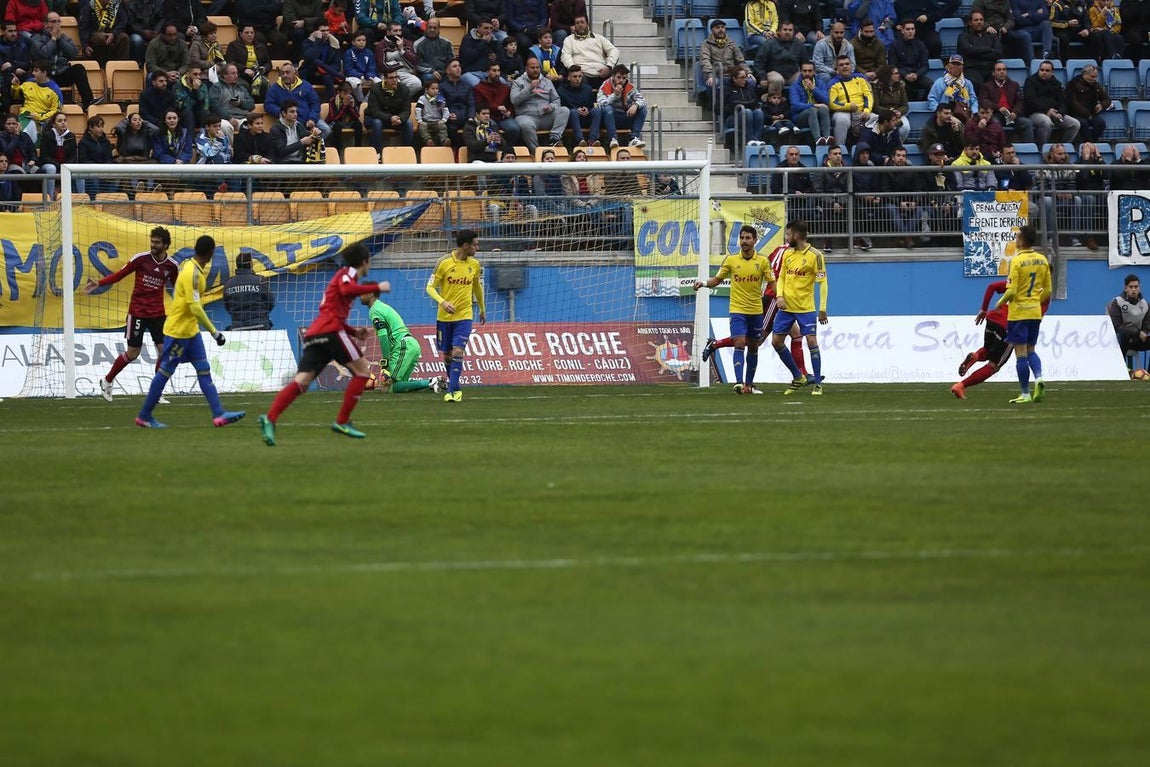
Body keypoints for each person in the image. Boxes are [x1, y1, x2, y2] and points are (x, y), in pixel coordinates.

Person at [259, 243, 387, 445]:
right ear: (364, 262)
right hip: (331, 332)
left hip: (316, 333)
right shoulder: (348, 274)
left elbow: (331, 312)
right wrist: (376, 287)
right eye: (369, 261)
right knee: (363, 372)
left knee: (302, 381)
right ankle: (342, 421)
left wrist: (353, 332)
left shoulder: (340, 277)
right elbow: (347, 289)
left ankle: (270, 418)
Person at [133, 234, 246, 429]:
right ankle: (144, 416)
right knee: (165, 371)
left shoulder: (193, 270)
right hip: (178, 332)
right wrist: (214, 332)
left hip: (191, 332)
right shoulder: (192, 274)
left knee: (204, 369)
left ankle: (219, 414)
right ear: (211, 254)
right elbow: (194, 307)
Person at [699, 224, 809, 379]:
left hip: (783, 299)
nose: (790, 237)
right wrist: (780, 295)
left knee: (796, 335)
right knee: (756, 341)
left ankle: (803, 374)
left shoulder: (791, 253)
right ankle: (716, 345)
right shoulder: (784, 251)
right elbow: (775, 274)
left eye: (789, 234)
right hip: (774, 299)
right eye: (790, 234)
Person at [83, 226, 180, 403]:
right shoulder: (141, 259)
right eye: (152, 241)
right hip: (137, 313)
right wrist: (100, 282)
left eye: (157, 242)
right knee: (133, 353)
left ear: (166, 245)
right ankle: (107, 380)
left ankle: (156, 392)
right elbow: (120, 275)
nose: (153, 245)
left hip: (158, 314)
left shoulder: (172, 266)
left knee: (164, 352)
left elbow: (178, 288)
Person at [692, 225, 776, 394]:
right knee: (739, 342)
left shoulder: (762, 261)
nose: (744, 241)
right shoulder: (731, 260)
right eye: (742, 238)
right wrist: (704, 283)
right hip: (737, 309)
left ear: (755, 240)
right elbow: (717, 279)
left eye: (748, 238)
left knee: (753, 346)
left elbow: (772, 283)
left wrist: (779, 297)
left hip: (756, 310)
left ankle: (748, 385)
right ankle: (738, 383)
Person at [951, 277, 1048, 399]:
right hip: (1009, 326)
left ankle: (975, 356)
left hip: (993, 318)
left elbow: (992, 286)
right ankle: (961, 386)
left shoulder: (1020, 281)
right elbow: (1036, 317)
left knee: (987, 350)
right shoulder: (1045, 293)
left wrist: (984, 309)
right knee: (994, 365)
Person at [425, 229, 486, 402]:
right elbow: (430, 287)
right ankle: (455, 386)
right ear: (465, 245)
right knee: (447, 355)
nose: (477, 248)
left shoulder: (474, 265)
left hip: (465, 316)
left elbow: (477, 287)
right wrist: (443, 302)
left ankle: (452, 392)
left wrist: (482, 308)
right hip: (444, 317)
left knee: (458, 350)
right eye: (475, 245)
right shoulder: (443, 263)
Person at [995, 224, 1051, 403]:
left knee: (1020, 354)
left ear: (1021, 241)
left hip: (1018, 313)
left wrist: (999, 302)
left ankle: (1025, 393)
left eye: (1017, 237)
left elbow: (1011, 291)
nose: (1015, 239)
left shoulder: (1017, 261)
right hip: (1035, 312)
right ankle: (1039, 377)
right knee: (1031, 350)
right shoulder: (1042, 260)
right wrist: (1034, 300)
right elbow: (1048, 290)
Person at [770, 219, 827, 395]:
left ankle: (818, 384)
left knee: (811, 341)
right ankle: (798, 376)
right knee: (776, 342)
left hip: (805, 308)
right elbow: (781, 278)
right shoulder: (788, 254)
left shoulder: (815, 256)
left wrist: (822, 308)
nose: (786, 238)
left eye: (788, 235)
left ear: (795, 235)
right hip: (786, 308)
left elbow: (823, 282)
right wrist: (779, 296)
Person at [359, 291, 447, 394]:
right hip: (411, 345)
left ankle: (431, 382)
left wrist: (386, 364)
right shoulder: (382, 307)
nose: (360, 295)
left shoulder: (375, 310)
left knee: (389, 387)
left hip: (403, 346)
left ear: (371, 294)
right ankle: (434, 383)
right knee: (400, 385)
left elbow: (384, 338)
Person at [511, 55, 570, 152]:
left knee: (564, 110)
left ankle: (554, 139)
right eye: (532, 68)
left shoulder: (547, 82)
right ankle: (536, 152)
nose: (535, 70)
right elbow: (514, 100)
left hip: (546, 116)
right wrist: (529, 88)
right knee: (524, 124)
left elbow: (556, 100)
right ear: (526, 68)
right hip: (527, 116)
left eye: (537, 67)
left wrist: (551, 107)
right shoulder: (518, 82)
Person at [1024, 60, 1080, 147]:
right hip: (1035, 113)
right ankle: (1041, 148)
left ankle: (1062, 147)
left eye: (1047, 70)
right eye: (1042, 70)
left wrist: (1060, 113)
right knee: (1046, 122)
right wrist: (1047, 110)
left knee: (1075, 124)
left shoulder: (1056, 83)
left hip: (1054, 114)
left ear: (1052, 72)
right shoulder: (1030, 81)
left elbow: (1063, 102)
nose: (1044, 72)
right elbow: (1030, 100)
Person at [978, 61, 1036, 144]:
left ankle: (1028, 147)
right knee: (995, 123)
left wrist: (1015, 112)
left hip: (1012, 115)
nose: (1002, 72)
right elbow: (984, 101)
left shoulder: (1014, 85)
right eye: (999, 70)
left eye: (1004, 70)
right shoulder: (986, 86)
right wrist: (998, 107)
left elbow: (1020, 101)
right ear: (993, 73)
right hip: (996, 114)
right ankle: (997, 148)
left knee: (1028, 123)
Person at [1107, 274, 1150, 378]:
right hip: (1120, 340)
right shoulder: (1118, 302)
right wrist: (1137, 332)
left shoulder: (1145, 304)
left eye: (1136, 287)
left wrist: (1144, 332)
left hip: (1137, 340)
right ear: (1125, 288)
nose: (1133, 289)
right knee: (1124, 335)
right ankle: (1122, 370)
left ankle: (1148, 373)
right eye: (1131, 287)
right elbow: (1116, 326)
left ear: (1139, 288)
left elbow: (1147, 323)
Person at [559, 15, 618, 89]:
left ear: (587, 24)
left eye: (582, 22)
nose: (580, 25)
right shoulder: (569, 40)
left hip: (602, 72)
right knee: (578, 79)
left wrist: (609, 66)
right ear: (574, 26)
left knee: (617, 78)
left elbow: (614, 51)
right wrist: (574, 69)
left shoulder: (599, 38)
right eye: (577, 23)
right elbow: (565, 55)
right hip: (582, 74)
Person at [597, 63, 647, 149]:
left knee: (642, 109)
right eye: (619, 77)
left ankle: (634, 138)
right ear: (613, 76)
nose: (621, 80)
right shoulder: (605, 86)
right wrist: (615, 95)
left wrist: (635, 105)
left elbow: (643, 100)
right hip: (608, 118)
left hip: (625, 116)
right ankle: (613, 139)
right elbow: (601, 104)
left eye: (624, 78)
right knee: (608, 108)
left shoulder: (630, 86)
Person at [827, 55, 873, 148]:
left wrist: (867, 111)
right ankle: (839, 149)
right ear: (837, 69)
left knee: (878, 119)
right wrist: (848, 106)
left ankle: (871, 150)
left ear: (851, 66)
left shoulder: (861, 78)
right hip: (842, 112)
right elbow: (832, 103)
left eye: (847, 64)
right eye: (841, 65)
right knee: (842, 119)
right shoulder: (832, 83)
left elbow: (868, 96)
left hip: (862, 111)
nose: (845, 66)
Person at [222, 251, 275, 330]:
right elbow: (271, 302)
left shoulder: (228, 284)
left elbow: (227, 306)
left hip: (237, 328)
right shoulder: (260, 281)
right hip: (261, 326)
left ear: (237, 265)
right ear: (250, 264)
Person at [958, 12, 1004, 89]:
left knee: (1006, 83)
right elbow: (968, 51)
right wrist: (989, 49)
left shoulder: (992, 35)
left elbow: (998, 53)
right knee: (977, 84)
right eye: (976, 20)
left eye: (981, 20)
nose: (979, 22)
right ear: (970, 23)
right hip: (972, 69)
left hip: (990, 69)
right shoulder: (963, 36)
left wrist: (976, 50)